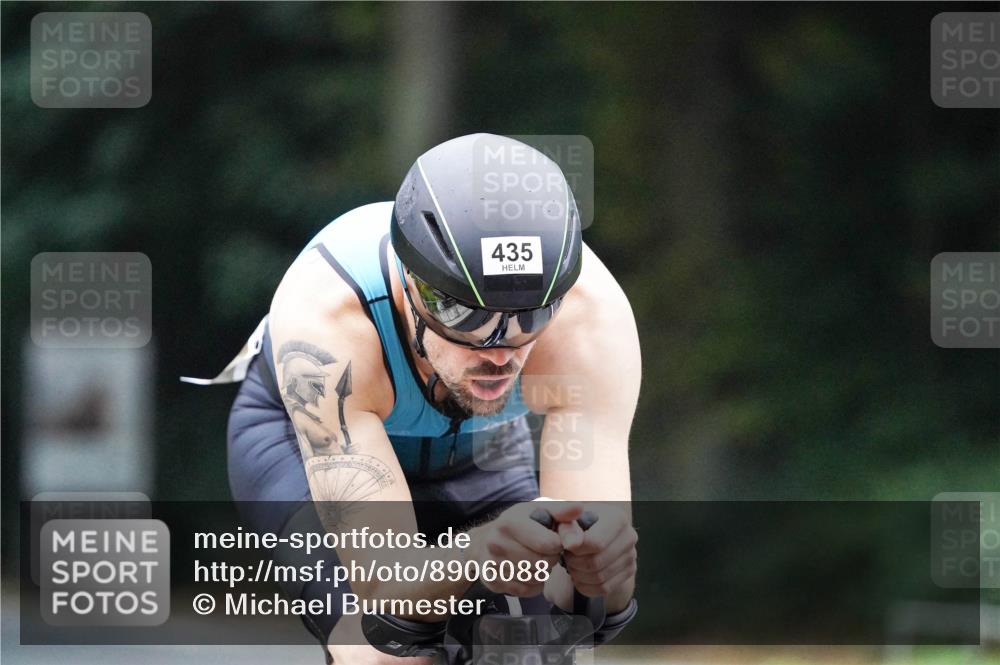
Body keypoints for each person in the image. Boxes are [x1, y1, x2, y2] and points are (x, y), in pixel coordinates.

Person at [190, 133, 640, 663]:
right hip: (301, 437)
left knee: (539, 644)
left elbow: (589, 608)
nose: (498, 352)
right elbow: (386, 592)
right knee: (382, 653)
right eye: (461, 315)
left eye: (530, 316)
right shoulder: (329, 316)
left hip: (477, 448)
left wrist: (599, 576)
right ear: (408, 284)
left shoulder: (591, 319)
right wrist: (476, 554)